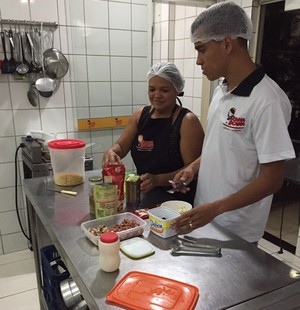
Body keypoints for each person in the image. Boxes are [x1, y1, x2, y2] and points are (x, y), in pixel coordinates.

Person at [172, 1, 295, 244]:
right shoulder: (222, 91)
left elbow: (273, 179)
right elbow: (221, 148)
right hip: (205, 218)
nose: (198, 60)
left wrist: (217, 208)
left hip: (237, 231)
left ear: (227, 44)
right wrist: (193, 168)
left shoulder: (267, 100)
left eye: (202, 49)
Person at [102, 62, 205, 208]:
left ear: (177, 90)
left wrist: (158, 180)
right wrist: (111, 152)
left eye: (164, 90)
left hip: (178, 201)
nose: (157, 95)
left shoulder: (187, 121)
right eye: (152, 89)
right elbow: (121, 146)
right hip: (145, 197)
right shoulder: (140, 115)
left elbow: (193, 168)